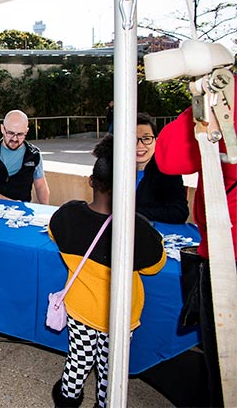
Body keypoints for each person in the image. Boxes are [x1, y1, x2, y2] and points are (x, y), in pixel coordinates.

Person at [49, 134, 166, 408]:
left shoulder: (66, 215)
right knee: (110, 373)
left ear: (91, 181)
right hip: (121, 314)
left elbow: (55, 235)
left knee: (77, 363)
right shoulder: (137, 228)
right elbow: (154, 267)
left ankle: (67, 399)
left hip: (81, 310)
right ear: (125, 186)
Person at [155, 100, 237, 407]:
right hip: (223, 247)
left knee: (226, 368)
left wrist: (205, 98)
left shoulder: (225, 97)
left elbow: (169, 157)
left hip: (227, 254)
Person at [0, 109, 50, 203]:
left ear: (26, 131)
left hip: (24, 210)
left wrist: (45, 209)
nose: (14, 139)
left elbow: (40, 186)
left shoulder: (34, 155)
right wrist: (12, 203)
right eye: (10, 133)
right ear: (2, 129)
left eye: (20, 134)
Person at [135, 112, 189, 224]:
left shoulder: (168, 170)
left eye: (146, 139)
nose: (140, 145)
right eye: (133, 139)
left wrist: (132, 212)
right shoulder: (113, 169)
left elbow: (179, 212)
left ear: (156, 140)